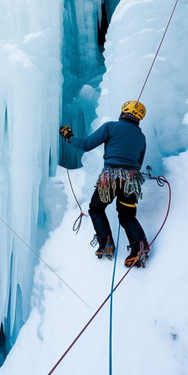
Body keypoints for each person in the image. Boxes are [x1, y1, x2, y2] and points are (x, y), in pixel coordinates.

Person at [59, 101, 150, 268]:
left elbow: (85, 145)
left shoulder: (111, 127)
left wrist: (68, 136)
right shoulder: (141, 137)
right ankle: (139, 247)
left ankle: (106, 243)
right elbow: (139, 162)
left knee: (96, 208)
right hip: (131, 180)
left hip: (111, 177)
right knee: (127, 215)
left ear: (123, 112)